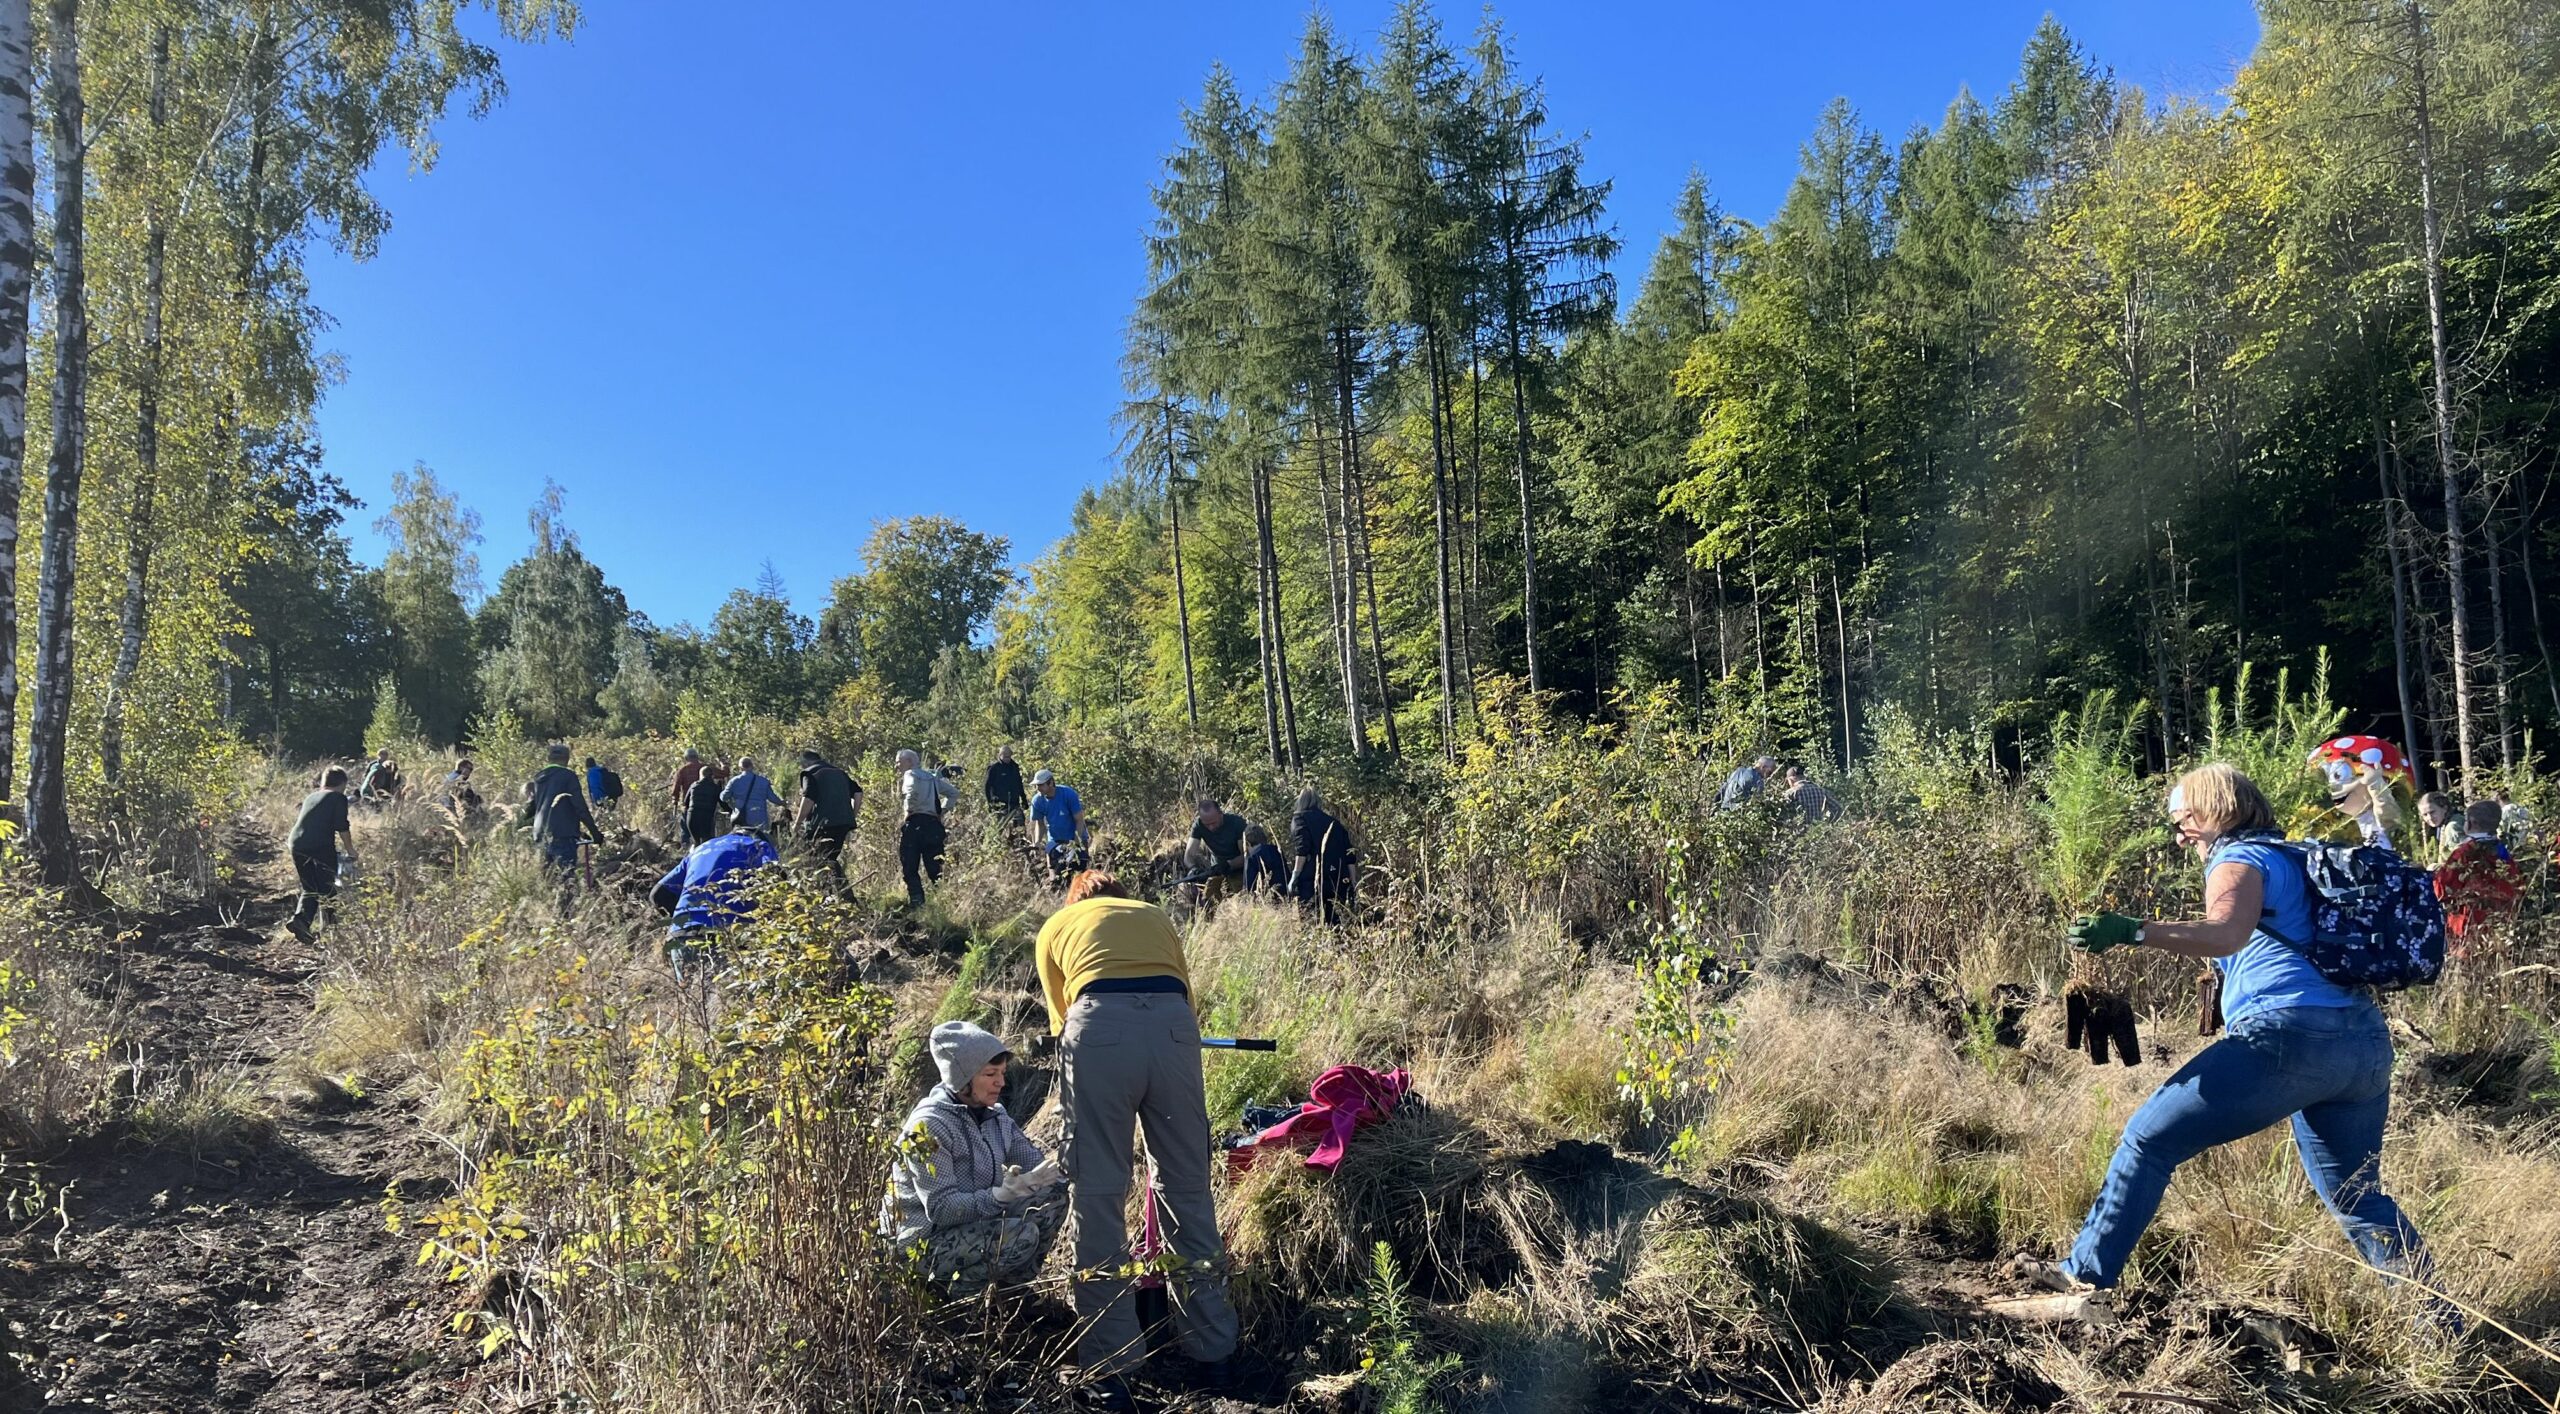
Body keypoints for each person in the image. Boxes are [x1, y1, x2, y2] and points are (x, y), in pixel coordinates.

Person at [2022, 764, 2445, 1322]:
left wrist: (2134, 930)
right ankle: (2441, 1325)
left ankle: (2083, 1281)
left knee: (2148, 1139)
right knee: (2358, 1199)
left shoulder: (2237, 859)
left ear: (2216, 811)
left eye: (2184, 821)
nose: (2179, 836)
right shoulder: (2293, 856)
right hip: (2361, 1046)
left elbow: (2227, 932)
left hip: (2290, 1037)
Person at [1035, 872, 1236, 1401]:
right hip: (1174, 1032)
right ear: (1121, 899)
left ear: (1077, 900)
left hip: (1100, 1032)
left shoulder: (1056, 925)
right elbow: (1185, 997)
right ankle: (1214, 1353)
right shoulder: (1154, 915)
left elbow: (1063, 1022)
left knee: (1099, 1193)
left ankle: (1113, 1367)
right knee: (1187, 1188)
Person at [878, 1020, 1067, 1294]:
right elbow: (941, 1209)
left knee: (1054, 1195)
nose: (1001, 1082)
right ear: (963, 1079)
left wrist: (1069, 1158)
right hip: (922, 1243)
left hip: (974, 1224)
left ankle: (1010, 1293)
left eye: (1002, 1072)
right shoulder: (928, 1128)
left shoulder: (996, 1116)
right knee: (1019, 1237)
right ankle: (958, 1304)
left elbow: (1035, 1164)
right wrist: (1000, 1195)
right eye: (991, 1074)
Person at [651, 826, 782, 978]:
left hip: (680, 938)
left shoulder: (699, 850)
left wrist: (685, 919)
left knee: (694, 999)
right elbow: (778, 884)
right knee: (732, 1000)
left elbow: (657, 895)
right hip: (722, 939)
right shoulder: (758, 845)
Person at [2435, 800, 2524, 956]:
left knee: (2468, 961)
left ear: (2472, 822)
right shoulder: (2502, 849)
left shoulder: (2464, 852)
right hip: (2501, 916)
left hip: (2468, 919)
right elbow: (2516, 882)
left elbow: (2443, 886)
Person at [286, 767, 355, 940]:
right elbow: (342, 826)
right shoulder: (338, 797)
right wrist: (351, 850)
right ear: (342, 784)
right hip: (319, 846)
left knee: (310, 887)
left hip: (296, 843)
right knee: (327, 887)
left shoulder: (311, 796)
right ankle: (332, 931)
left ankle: (301, 921)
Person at [895, 748, 960, 906]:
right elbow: (953, 793)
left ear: (909, 762)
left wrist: (908, 813)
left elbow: (911, 793)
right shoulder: (932, 778)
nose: (897, 766)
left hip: (915, 823)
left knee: (909, 864)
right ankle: (943, 901)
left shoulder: (910, 774)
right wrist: (941, 811)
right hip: (933, 825)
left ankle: (917, 903)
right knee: (935, 867)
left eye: (898, 762)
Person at [1289, 787, 1356, 924]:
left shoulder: (1300, 819)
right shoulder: (1335, 823)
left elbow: (1302, 849)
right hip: (1336, 880)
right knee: (1336, 925)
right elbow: (1350, 855)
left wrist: (1295, 876)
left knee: (1310, 924)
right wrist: (1354, 882)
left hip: (1310, 880)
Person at [795, 748, 862, 882]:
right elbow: (858, 793)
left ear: (805, 761)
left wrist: (797, 823)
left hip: (821, 825)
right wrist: (852, 815)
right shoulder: (840, 772)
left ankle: (828, 892)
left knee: (816, 860)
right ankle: (839, 893)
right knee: (831, 859)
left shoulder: (810, 773)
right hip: (843, 823)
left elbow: (808, 798)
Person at [537, 788, 604, 890]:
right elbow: (580, 813)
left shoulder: (546, 802)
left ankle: (554, 899)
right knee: (568, 876)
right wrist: (595, 834)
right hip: (565, 842)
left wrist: (580, 834)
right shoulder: (569, 796)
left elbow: (558, 824)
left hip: (546, 841)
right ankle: (569, 901)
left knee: (550, 878)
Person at [1029, 769, 1088, 880]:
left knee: (1080, 873)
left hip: (1076, 838)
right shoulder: (1037, 800)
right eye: (1036, 786)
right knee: (1057, 877)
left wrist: (1076, 843)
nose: (1038, 788)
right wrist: (1036, 842)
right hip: (1055, 840)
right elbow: (1040, 824)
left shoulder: (1068, 794)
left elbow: (1079, 820)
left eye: (1041, 785)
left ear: (1051, 783)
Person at [1187, 799, 1250, 902]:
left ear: (1220, 814)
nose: (1211, 827)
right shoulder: (1198, 826)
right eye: (1207, 824)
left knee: (1240, 901)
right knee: (1209, 902)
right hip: (1216, 872)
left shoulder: (1236, 823)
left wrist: (1229, 864)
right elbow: (1189, 855)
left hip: (1240, 871)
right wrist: (1193, 869)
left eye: (1213, 823)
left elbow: (1246, 855)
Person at [720, 756, 784, 844]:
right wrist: (783, 803)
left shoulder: (734, 781)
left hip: (741, 817)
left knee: (741, 841)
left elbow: (723, 797)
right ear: (752, 766)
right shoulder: (763, 781)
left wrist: (732, 802)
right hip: (759, 816)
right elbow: (772, 798)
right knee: (761, 840)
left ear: (740, 768)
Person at [522, 744, 582, 838]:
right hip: (562, 835)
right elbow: (580, 806)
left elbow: (534, 809)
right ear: (567, 759)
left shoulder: (538, 777)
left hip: (540, 833)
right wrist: (594, 832)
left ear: (549, 759)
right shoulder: (568, 776)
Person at [684, 765, 727, 849]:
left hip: (692, 817)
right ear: (712, 776)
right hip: (706, 818)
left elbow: (686, 802)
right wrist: (732, 811)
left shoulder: (694, 785)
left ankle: (692, 859)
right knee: (707, 844)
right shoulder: (715, 788)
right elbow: (723, 805)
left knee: (696, 843)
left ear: (700, 775)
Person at [2415, 791, 2461, 867]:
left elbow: (2462, 859)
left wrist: (2437, 868)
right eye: (2425, 814)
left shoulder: (2453, 827)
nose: (2429, 818)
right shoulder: (2440, 825)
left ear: (2445, 808)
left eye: (2432, 812)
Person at [1239, 823, 1288, 895]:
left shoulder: (1252, 857)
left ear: (1247, 842)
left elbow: (1249, 885)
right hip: (1284, 892)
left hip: (1265, 896)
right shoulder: (1276, 850)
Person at [985, 744, 1028, 822]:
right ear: (1000, 755)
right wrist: (990, 803)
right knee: (1000, 828)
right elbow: (987, 787)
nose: (1007, 759)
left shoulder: (1014, 767)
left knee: (1019, 826)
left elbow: (1019, 784)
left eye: (1009, 756)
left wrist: (1024, 799)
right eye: (1005, 757)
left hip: (1014, 803)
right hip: (1000, 805)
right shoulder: (994, 768)